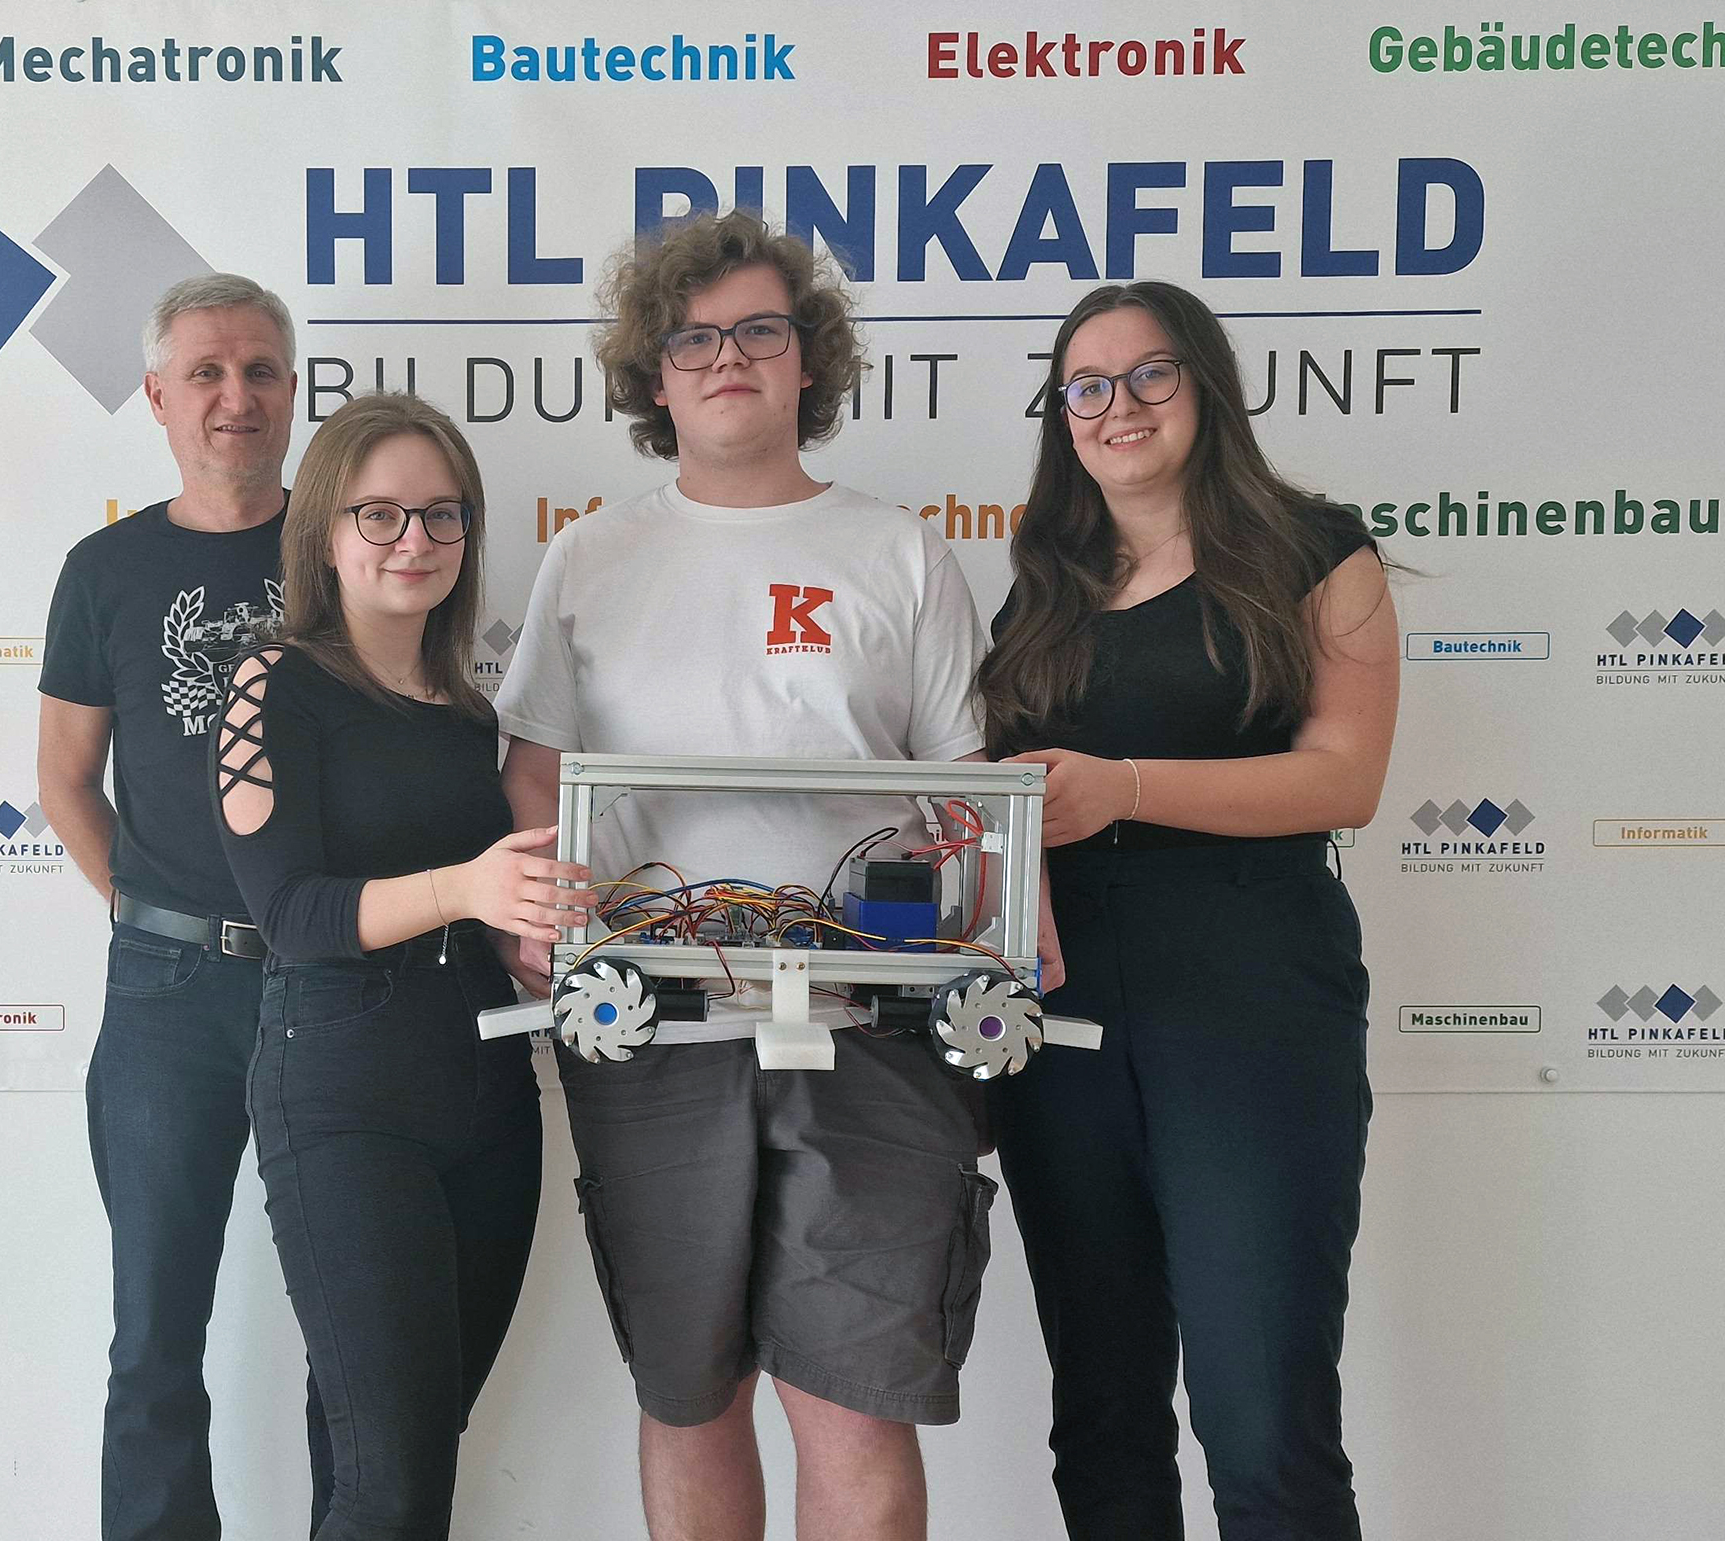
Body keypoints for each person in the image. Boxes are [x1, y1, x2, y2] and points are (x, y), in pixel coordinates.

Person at [496, 211, 992, 1541]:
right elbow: (536, 776)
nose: (727, 358)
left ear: (806, 359)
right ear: (653, 377)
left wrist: (991, 934)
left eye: (759, 330)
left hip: (872, 1031)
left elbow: (967, 796)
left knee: (856, 1406)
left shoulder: (899, 551)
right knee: (689, 1397)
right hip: (656, 1033)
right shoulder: (591, 557)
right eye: (693, 339)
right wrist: (542, 930)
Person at [977, 279, 1399, 1541]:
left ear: (1205, 385)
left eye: (1147, 373)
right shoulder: (1039, 591)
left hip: (1249, 1008)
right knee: (1102, 1420)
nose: (1116, 406)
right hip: (1060, 1027)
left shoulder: (1313, 552)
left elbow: (1345, 779)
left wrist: (1122, 787)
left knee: (1262, 1423)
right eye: (1084, 386)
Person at [212, 392, 589, 1541]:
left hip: (488, 1092)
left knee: (387, 1467)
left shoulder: (471, 712)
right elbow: (290, 911)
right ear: (324, 531)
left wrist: (530, 931)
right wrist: (468, 887)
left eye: (440, 514)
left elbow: (494, 903)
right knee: (394, 1487)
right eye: (379, 513)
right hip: (343, 1094)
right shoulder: (270, 681)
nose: (413, 539)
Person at [37, 272, 334, 1539]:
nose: (235, 395)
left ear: (293, 391)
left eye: (259, 370)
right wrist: (151, 909)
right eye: (205, 372)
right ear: (157, 395)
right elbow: (64, 778)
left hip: (335, 982)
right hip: (167, 996)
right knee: (153, 1334)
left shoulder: (350, 549)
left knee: (354, 1333)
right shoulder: (105, 569)